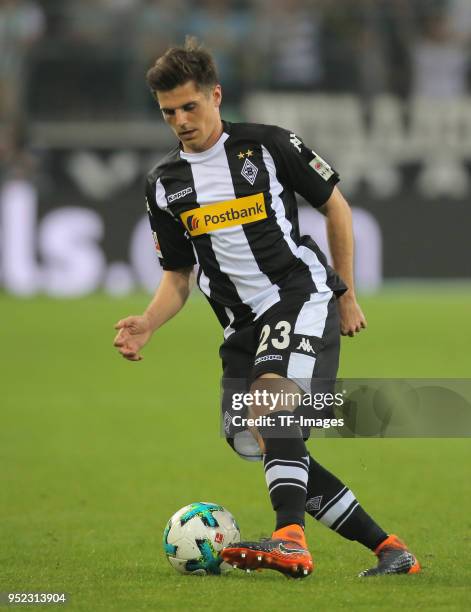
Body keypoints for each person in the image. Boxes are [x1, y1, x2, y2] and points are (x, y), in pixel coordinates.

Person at [113, 37, 420, 579]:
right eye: (169, 113)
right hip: (241, 328)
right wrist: (147, 324)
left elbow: (336, 208)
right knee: (261, 439)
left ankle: (289, 539)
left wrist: (346, 295)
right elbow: (178, 275)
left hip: (297, 296)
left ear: (216, 95)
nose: (181, 121)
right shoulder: (164, 184)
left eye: (190, 106)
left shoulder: (268, 145)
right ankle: (390, 549)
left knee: (269, 408)